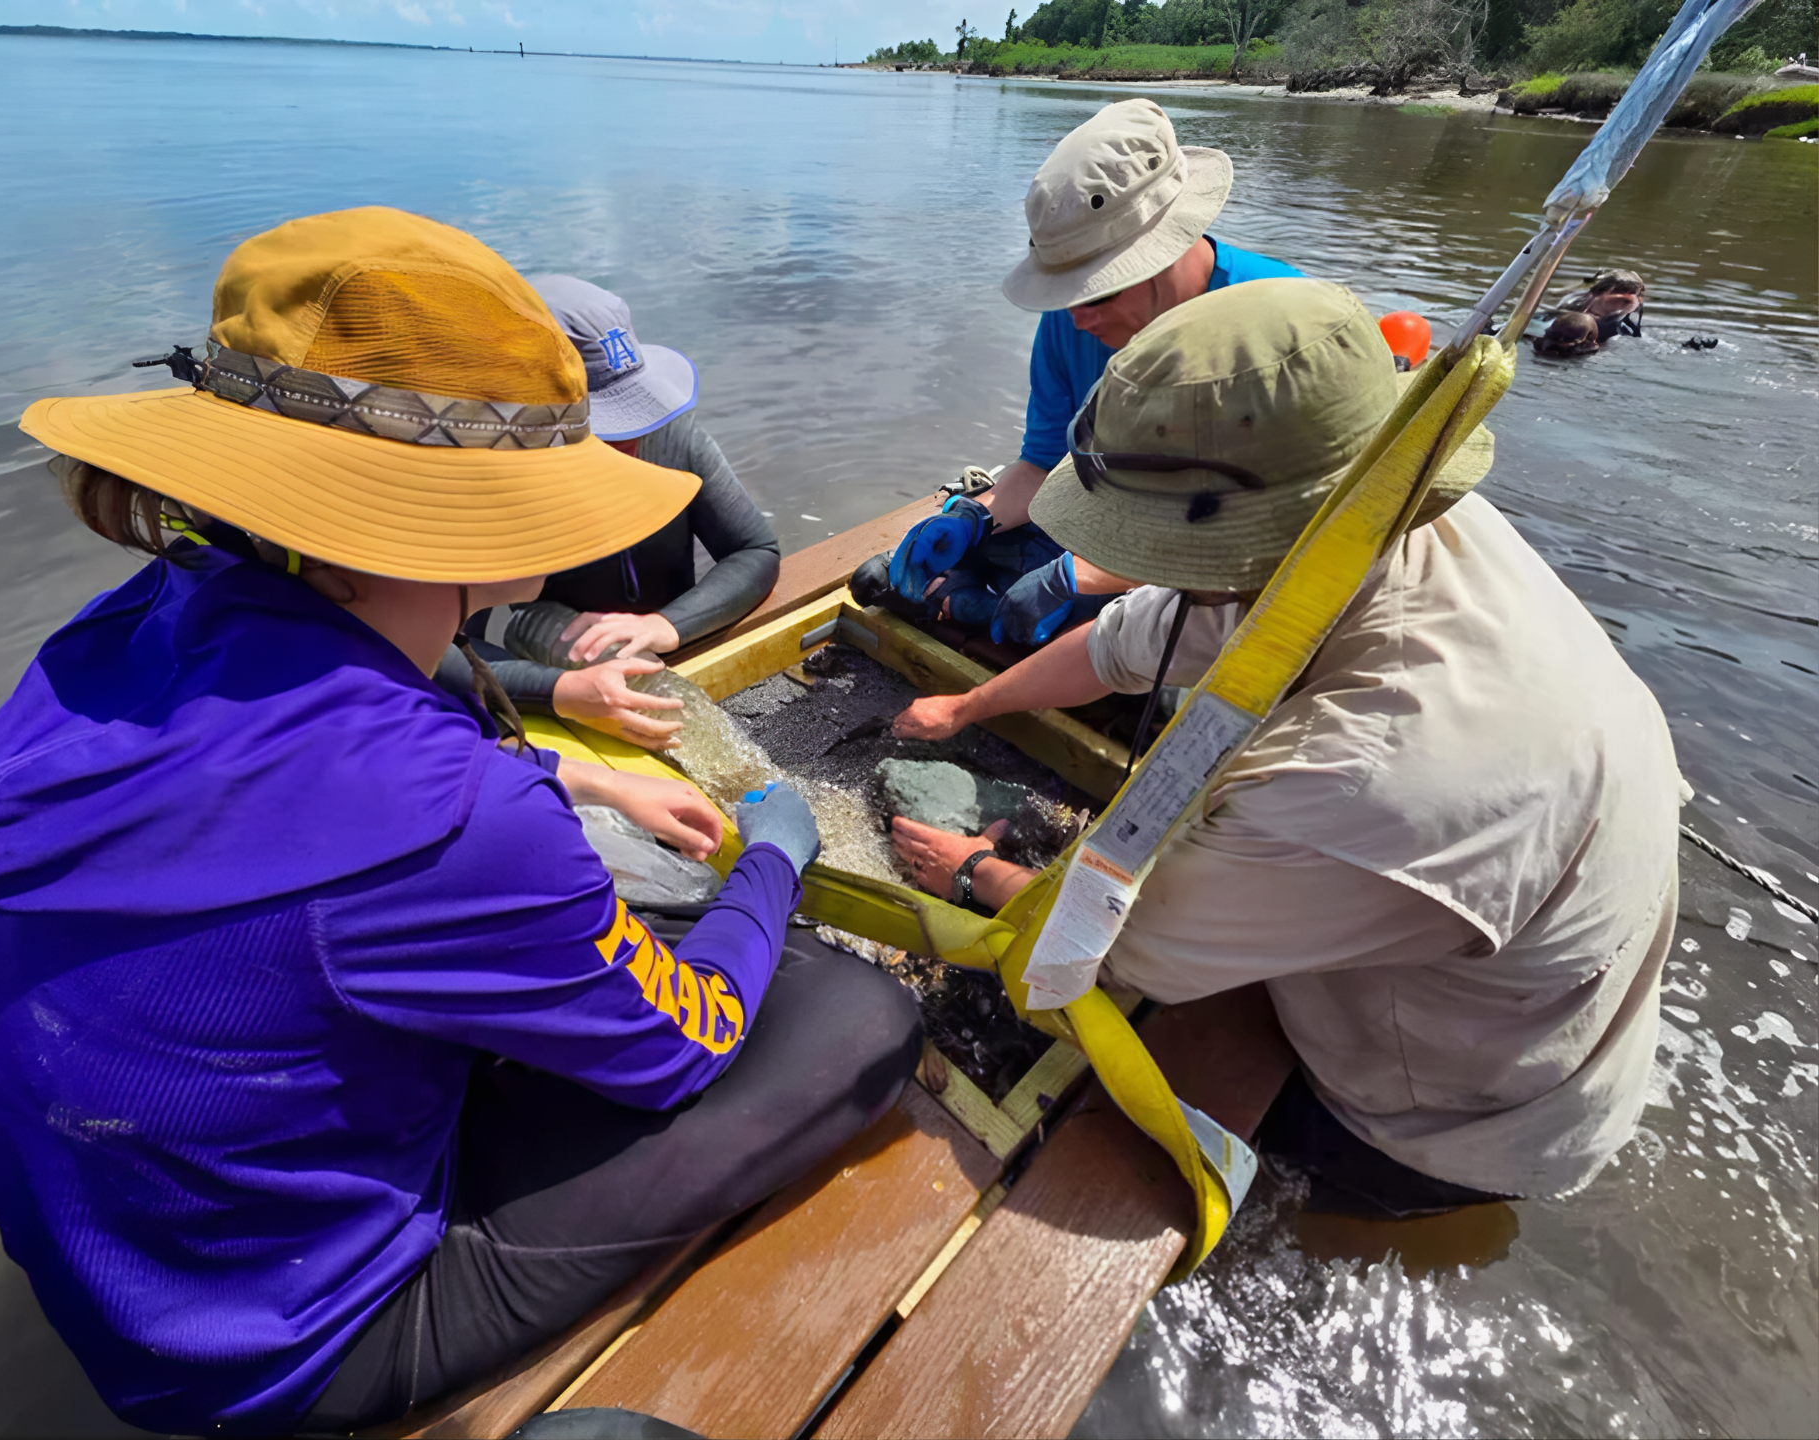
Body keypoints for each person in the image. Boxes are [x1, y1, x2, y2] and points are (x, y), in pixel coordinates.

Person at [0, 207, 921, 1437]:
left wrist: (586, 782)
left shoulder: (122, 629)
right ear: (480, 523)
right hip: (290, 1348)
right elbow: (686, 1038)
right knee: (854, 1018)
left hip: (131, 1268)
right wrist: (773, 856)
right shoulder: (458, 817)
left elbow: (291, 795)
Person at [890, 278, 1683, 1218]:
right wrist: (969, 706)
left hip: (1456, 1116)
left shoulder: (1374, 772)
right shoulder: (1368, 521)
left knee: (1275, 1188)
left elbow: (1113, 953)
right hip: (1491, 950)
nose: (1135, 563)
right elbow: (1126, 643)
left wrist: (973, 869)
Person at [856, 97, 1302, 648]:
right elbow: (1043, 464)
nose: (1077, 318)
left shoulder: (1285, 325)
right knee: (943, 563)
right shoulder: (1073, 322)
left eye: (1096, 290)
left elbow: (1277, 536)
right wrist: (975, 518)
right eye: (1065, 293)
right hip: (1105, 518)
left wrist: (1083, 578)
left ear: (1167, 245)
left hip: (1220, 556)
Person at [438, 275, 781, 751]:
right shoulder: (485, 485)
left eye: (636, 410)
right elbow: (440, 645)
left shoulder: (671, 436)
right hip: (552, 654)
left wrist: (666, 624)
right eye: (606, 422)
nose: (632, 437)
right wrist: (557, 689)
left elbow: (754, 550)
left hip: (668, 648)